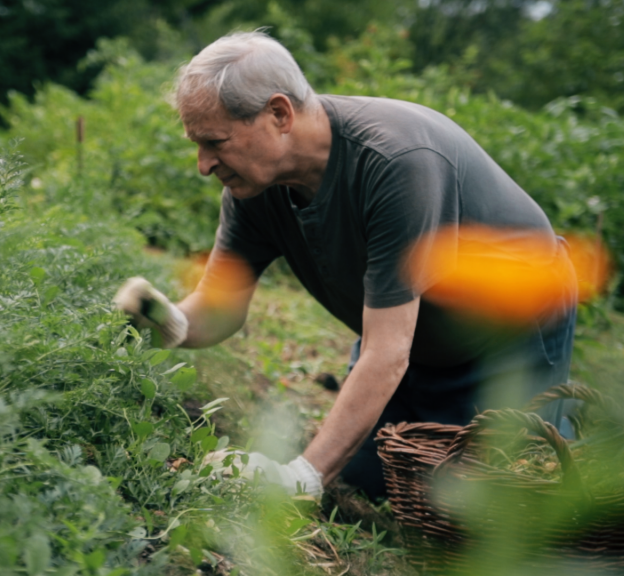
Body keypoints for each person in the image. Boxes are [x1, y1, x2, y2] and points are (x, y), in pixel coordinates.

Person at [114, 30, 577, 501]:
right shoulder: (253, 188)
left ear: (279, 114)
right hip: (412, 341)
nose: (203, 164)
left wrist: (302, 477)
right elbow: (219, 308)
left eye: (215, 142)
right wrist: (168, 320)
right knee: (370, 481)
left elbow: (387, 350)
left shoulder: (395, 164)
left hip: (506, 334)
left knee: (501, 501)